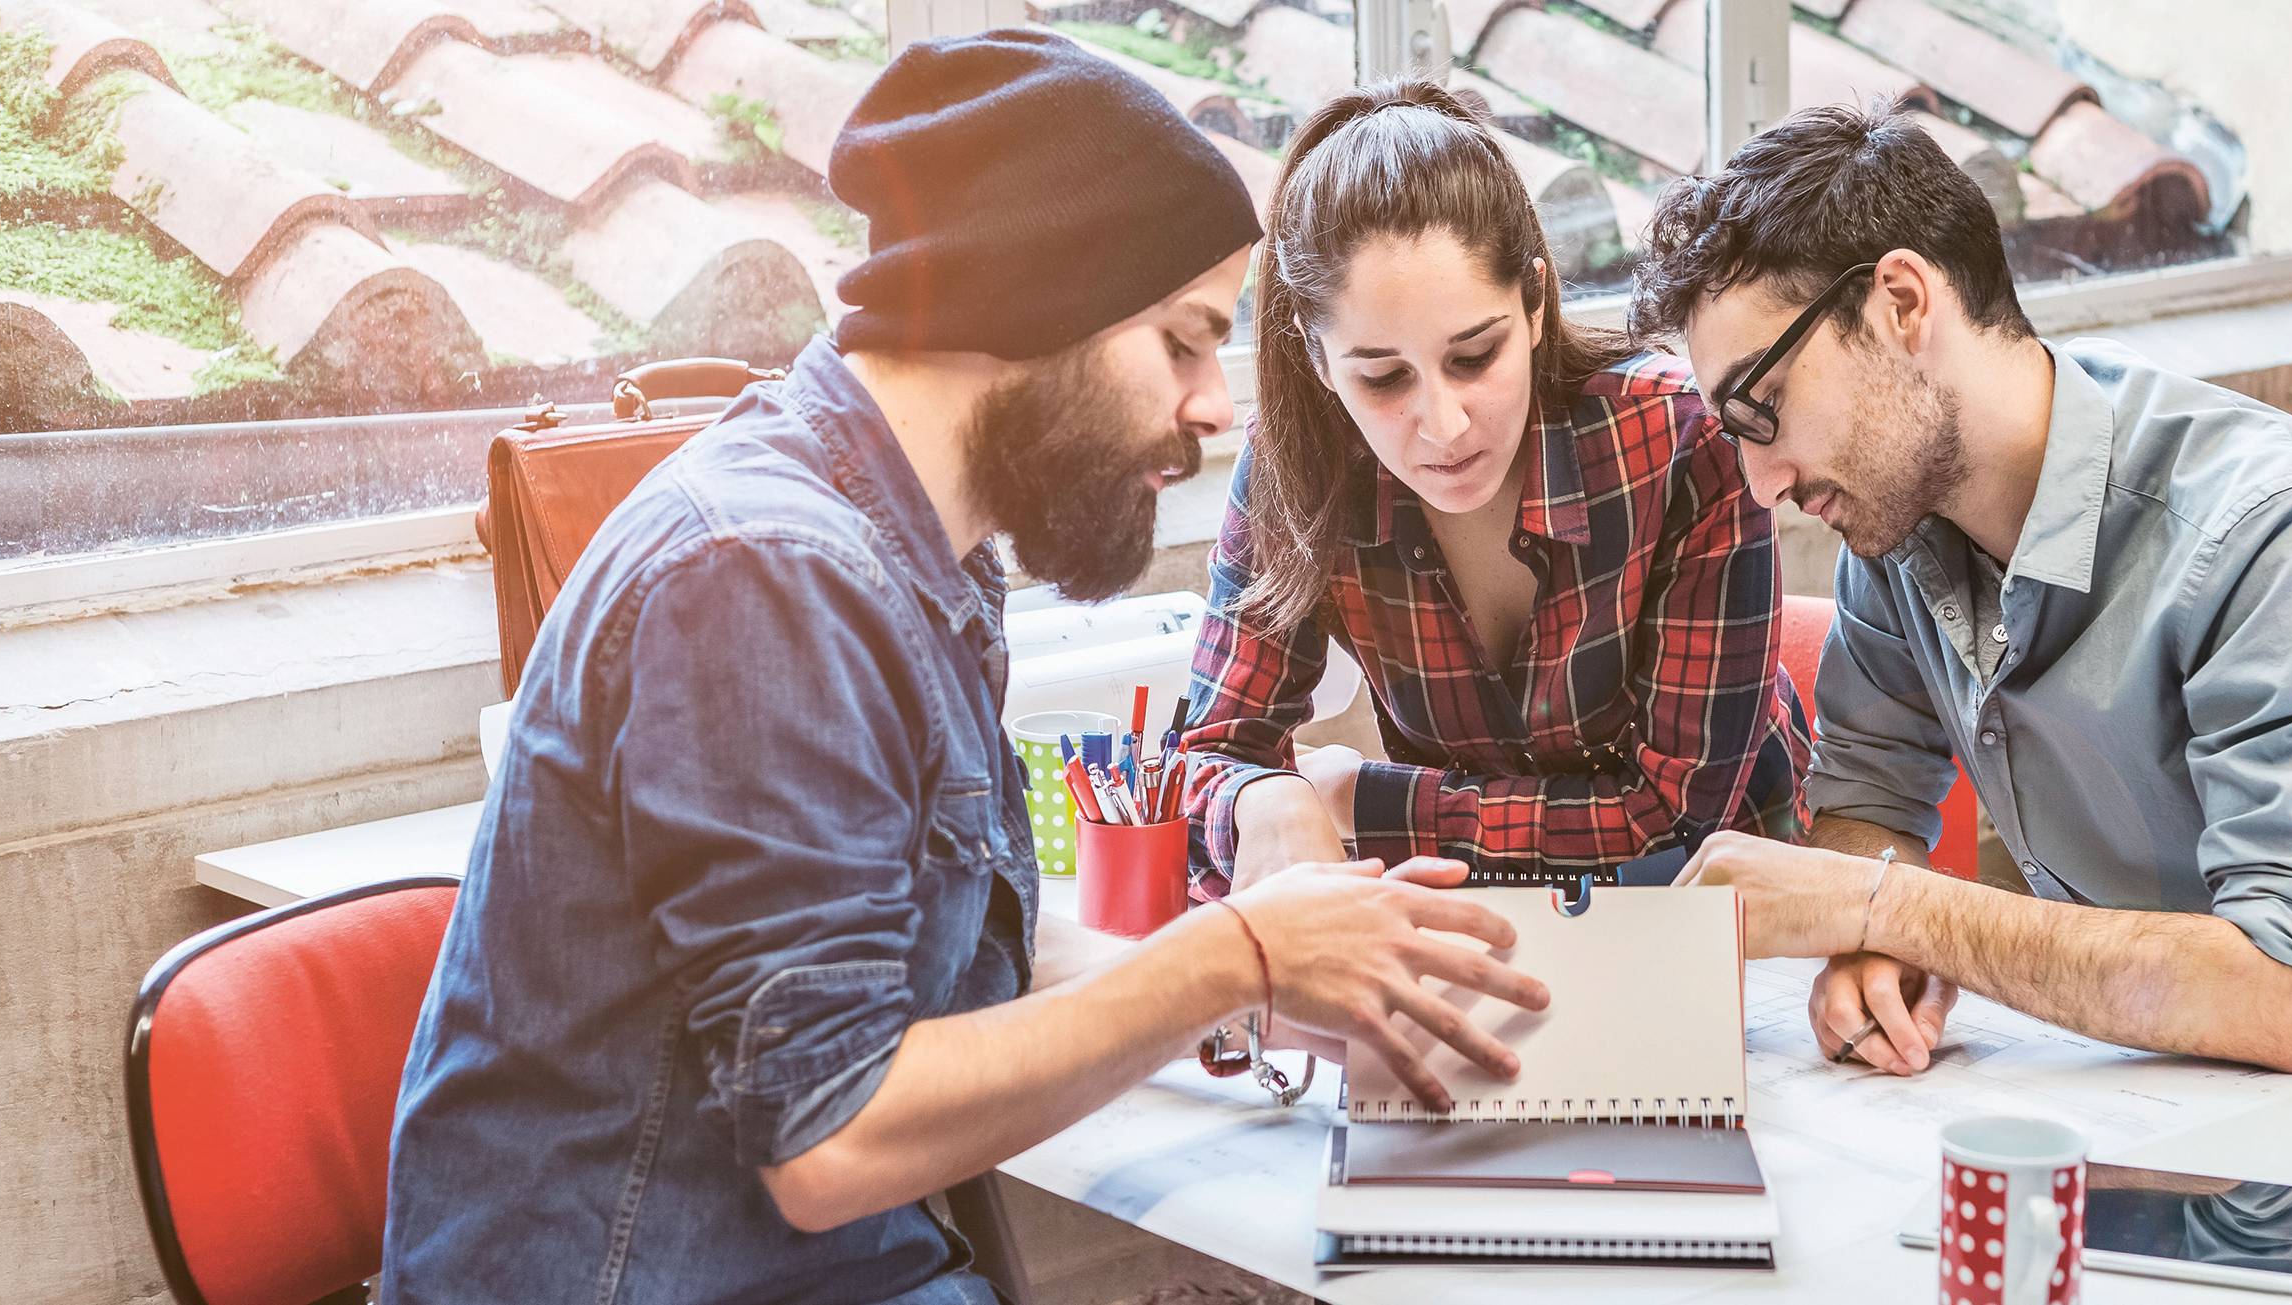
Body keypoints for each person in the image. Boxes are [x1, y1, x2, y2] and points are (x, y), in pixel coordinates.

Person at [379, 37, 1547, 1305]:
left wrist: (1270, 996)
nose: (1215, 405)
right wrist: (1238, 959)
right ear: (1031, 307)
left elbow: (975, 959)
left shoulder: (926, 560)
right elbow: (828, 1139)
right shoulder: (767, 576)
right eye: (1184, 341)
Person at [1631, 103, 2292, 1077]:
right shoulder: (1895, 527)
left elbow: (2286, 994)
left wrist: (1893, 911)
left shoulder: (2268, 526)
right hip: (2166, 1080)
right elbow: (1870, 800)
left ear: (1902, 303)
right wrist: (1877, 947)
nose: (1763, 486)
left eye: (1762, 409)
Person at [1182, 82, 1808, 890]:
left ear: (1537, 302)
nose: (1442, 425)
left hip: (1729, 924)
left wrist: (1354, 794)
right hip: (1483, 924)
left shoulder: (1685, 443)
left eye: (1475, 357)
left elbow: (1674, 814)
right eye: (1381, 377)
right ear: (1317, 360)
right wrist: (1262, 799)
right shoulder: (1296, 467)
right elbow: (1208, 755)